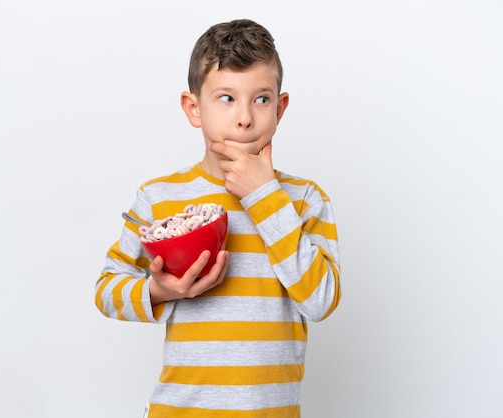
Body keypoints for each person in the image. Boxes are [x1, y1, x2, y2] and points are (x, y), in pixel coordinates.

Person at [95, 18, 341, 418]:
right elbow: (107, 290)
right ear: (194, 108)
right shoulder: (159, 198)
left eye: (261, 99)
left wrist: (265, 198)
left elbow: (321, 301)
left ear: (280, 108)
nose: (244, 118)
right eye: (226, 98)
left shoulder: (303, 200)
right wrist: (162, 292)